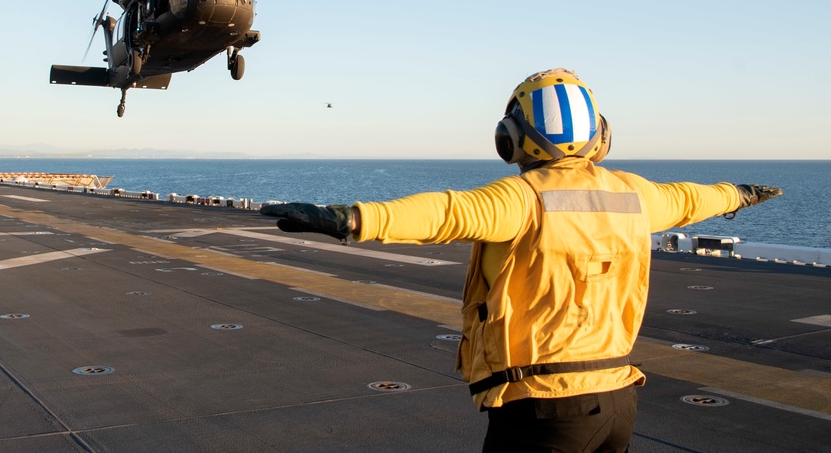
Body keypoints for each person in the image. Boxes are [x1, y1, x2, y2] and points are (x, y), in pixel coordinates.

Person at [260, 68, 782, 453]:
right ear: (598, 135)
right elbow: (694, 198)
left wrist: (347, 218)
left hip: (544, 408)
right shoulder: (636, 195)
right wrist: (739, 193)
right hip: (617, 401)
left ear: (512, 139)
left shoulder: (524, 198)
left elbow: (445, 213)